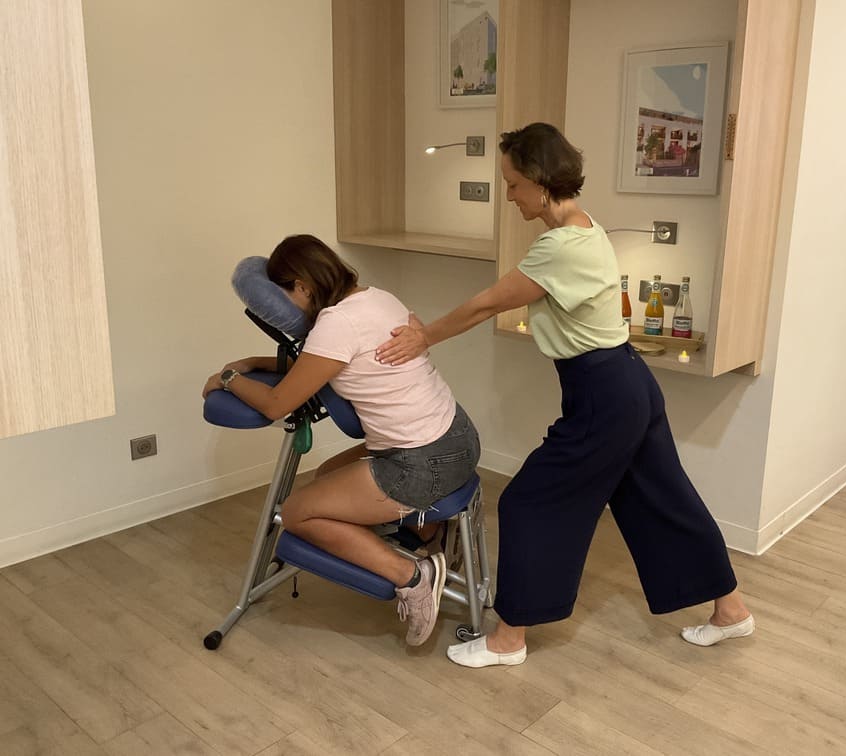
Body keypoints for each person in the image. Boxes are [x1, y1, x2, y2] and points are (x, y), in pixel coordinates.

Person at [374, 122, 753, 668]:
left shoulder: (561, 245)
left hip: (604, 393)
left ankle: (508, 641)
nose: (509, 196)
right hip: (626, 384)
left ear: (538, 180)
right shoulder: (585, 228)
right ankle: (732, 610)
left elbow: (487, 303)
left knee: (529, 502)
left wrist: (422, 337)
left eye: (512, 184)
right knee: (664, 498)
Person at [202, 234, 480, 647]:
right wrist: (255, 362)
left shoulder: (336, 322)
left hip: (419, 463)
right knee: (329, 472)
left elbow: (277, 403)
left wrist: (228, 379)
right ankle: (428, 536)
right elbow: (323, 360)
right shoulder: (376, 297)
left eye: (286, 294)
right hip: (457, 435)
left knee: (297, 514)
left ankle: (415, 577)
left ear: (302, 286)